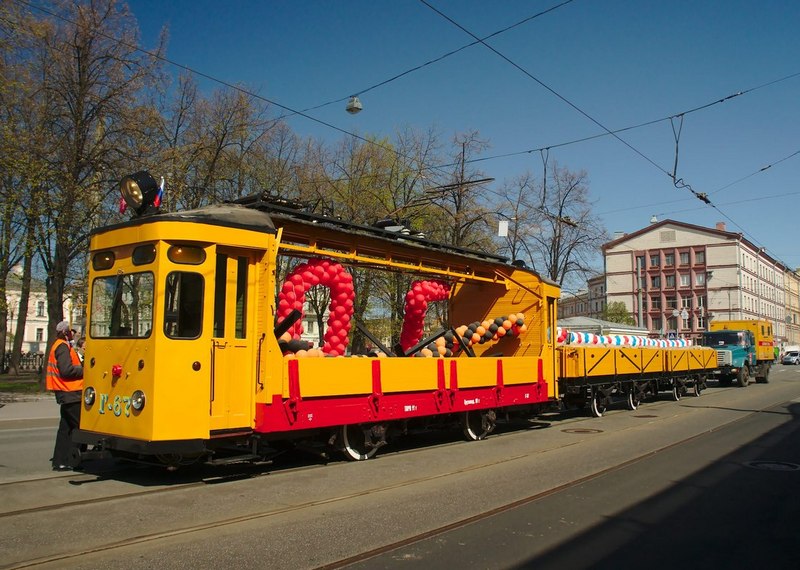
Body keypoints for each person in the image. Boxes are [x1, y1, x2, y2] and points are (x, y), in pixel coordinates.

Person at [47, 320, 84, 471]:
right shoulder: (62, 347)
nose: (72, 334)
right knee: (81, 427)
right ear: (64, 333)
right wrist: (85, 370)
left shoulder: (58, 345)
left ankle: (60, 461)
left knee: (65, 428)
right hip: (71, 392)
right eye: (70, 331)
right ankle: (73, 458)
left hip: (65, 392)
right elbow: (66, 370)